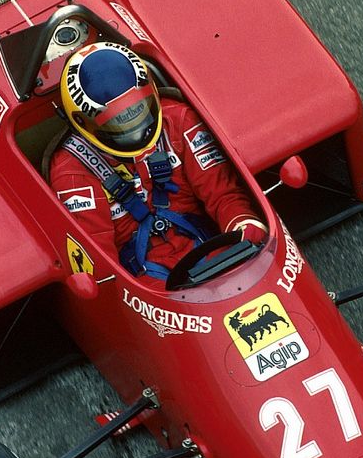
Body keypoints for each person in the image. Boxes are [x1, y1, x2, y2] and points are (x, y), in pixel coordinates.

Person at [49, 41, 266, 282]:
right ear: (83, 121)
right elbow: (99, 263)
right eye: (117, 121)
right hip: (144, 281)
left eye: (138, 109)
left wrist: (245, 225)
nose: (134, 128)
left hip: (213, 251)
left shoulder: (180, 121)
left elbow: (224, 195)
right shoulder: (71, 171)